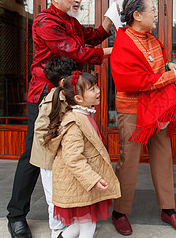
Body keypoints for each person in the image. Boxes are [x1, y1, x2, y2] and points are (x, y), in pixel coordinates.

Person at [7, 0, 114, 238]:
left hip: (68, 95)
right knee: (35, 156)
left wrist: (108, 21)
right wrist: (115, 51)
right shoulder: (44, 21)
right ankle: (16, 215)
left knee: (69, 155)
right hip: (45, 96)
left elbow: (92, 36)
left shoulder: (71, 21)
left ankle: (68, 213)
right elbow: (76, 51)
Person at [110, 0, 176, 235]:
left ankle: (168, 209)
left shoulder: (152, 39)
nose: (156, 14)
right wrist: (173, 75)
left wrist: (170, 66)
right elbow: (135, 80)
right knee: (129, 161)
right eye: (152, 10)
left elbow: (155, 70)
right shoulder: (123, 44)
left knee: (163, 155)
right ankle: (120, 211)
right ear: (137, 15)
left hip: (156, 109)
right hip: (132, 110)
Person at [44, 71, 120, 238]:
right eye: (92, 89)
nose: (98, 91)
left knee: (79, 226)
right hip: (80, 185)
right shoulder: (74, 122)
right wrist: (93, 180)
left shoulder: (84, 115)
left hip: (82, 184)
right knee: (88, 227)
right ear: (78, 99)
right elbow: (73, 159)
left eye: (96, 86)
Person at [29, 56, 79, 238]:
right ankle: (57, 229)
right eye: (75, 76)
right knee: (54, 196)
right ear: (65, 80)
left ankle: (67, 224)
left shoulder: (67, 95)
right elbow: (41, 130)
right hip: (48, 157)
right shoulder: (54, 99)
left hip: (58, 156)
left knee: (64, 192)